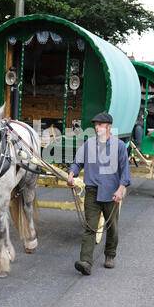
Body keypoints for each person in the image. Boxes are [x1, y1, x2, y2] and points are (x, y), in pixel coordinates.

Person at [67, 112, 131, 276]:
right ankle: (86, 261)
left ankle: (110, 255)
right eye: (95, 125)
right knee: (90, 227)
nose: (96, 127)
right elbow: (77, 162)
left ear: (108, 127)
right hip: (92, 191)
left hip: (111, 192)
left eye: (100, 125)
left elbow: (125, 172)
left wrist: (120, 189)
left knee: (112, 227)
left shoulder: (120, 147)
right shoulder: (89, 144)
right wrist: (72, 173)